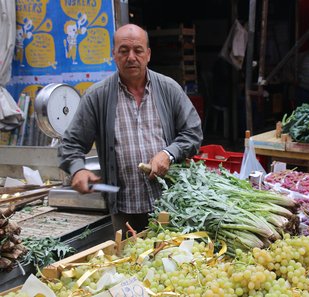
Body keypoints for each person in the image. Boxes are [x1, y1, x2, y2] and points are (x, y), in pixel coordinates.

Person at [58, 24, 203, 235]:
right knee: (131, 262)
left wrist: (168, 154)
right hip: (125, 210)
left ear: (148, 54)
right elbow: (71, 143)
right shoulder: (97, 96)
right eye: (124, 51)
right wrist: (77, 168)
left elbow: (193, 132)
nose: (131, 57)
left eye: (138, 50)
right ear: (114, 55)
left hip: (171, 204)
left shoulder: (169, 88)